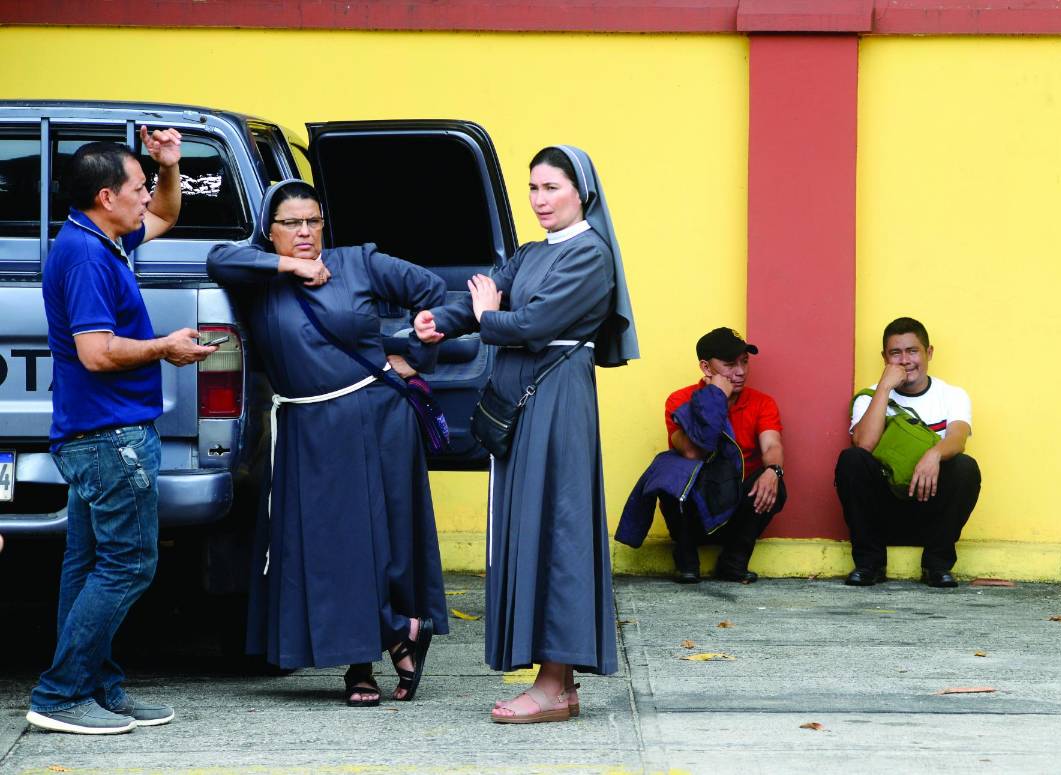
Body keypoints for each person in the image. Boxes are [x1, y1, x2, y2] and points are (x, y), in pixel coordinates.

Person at [415, 146, 638, 723]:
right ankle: (554, 686)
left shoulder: (591, 256)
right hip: (526, 405)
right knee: (532, 528)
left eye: (551, 188)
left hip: (558, 405)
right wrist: (440, 320)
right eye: (533, 188)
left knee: (556, 530)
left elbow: (532, 324)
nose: (539, 200)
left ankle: (554, 683)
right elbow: (486, 298)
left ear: (581, 192)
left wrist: (488, 313)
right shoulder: (534, 252)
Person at [206, 180, 449, 706]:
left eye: (313, 221)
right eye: (291, 223)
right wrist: (291, 267)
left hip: (376, 416)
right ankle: (389, 638)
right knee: (327, 549)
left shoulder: (359, 262)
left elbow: (432, 292)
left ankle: (366, 664)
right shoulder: (260, 277)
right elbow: (218, 259)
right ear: (270, 232)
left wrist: (414, 357)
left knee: (380, 544)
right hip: (306, 429)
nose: (304, 232)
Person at [29, 129, 216, 734]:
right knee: (128, 565)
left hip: (97, 435)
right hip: (109, 438)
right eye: (136, 186)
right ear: (107, 196)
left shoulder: (102, 236)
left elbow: (164, 211)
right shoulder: (86, 257)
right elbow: (96, 353)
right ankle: (59, 696)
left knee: (87, 568)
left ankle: (98, 687)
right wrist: (166, 347)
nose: (145, 196)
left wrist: (169, 165)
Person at [622, 328, 784, 583]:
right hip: (694, 511)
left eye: (744, 362)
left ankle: (733, 562)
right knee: (668, 469)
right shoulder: (680, 400)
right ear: (706, 368)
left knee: (774, 479)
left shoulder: (762, 403)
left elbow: (771, 446)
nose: (740, 371)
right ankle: (686, 559)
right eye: (730, 364)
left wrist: (773, 471)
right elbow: (690, 450)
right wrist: (716, 398)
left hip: (737, 510)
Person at [835, 317, 981, 588]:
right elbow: (864, 444)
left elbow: (958, 438)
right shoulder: (869, 398)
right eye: (895, 353)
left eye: (912, 351)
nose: (905, 360)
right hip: (883, 509)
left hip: (930, 505)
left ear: (929, 353)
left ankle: (937, 565)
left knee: (965, 467)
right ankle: (869, 564)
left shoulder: (952, 395)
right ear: (884, 358)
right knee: (851, 460)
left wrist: (934, 455)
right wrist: (885, 387)